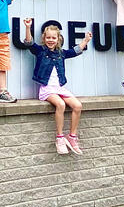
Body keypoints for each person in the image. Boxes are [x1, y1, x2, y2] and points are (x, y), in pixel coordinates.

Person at [23, 19, 91, 155]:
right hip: (47, 89)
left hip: (59, 88)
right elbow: (29, 43)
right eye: (48, 37)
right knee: (60, 105)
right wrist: (28, 27)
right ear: (44, 38)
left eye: (53, 38)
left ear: (58, 39)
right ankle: (59, 138)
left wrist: (86, 40)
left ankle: (71, 137)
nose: (51, 40)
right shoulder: (41, 51)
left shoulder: (62, 53)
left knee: (77, 106)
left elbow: (75, 51)